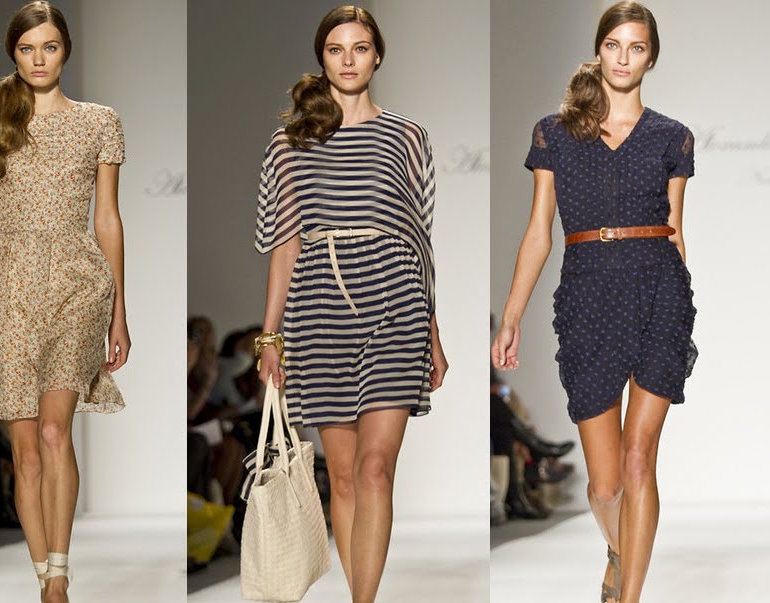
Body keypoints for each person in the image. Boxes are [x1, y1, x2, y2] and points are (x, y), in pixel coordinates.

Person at [490, 2, 696, 602]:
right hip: (587, 298)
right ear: (599, 49)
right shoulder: (554, 133)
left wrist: (682, 308)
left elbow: (676, 231)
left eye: (637, 47)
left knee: (639, 462)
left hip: (659, 293)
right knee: (605, 487)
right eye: (614, 45)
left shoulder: (672, 136)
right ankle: (618, 549)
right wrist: (511, 316)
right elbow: (539, 232)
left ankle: (628, 596)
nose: (624, 58)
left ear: (651, 57)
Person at [253, 6, 448, 602]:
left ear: (377, 55)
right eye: (336, 50)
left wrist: (433, 333)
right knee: (341, 475)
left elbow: (420, 237)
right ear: (322, 58)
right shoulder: (291, 142)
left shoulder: (407, 136)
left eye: (360, 48)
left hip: (396, 300)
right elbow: (285, 244)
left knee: (375, 468)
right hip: (318, 307)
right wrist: (270, 337)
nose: (348, 60)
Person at [0, 2, 129, 600]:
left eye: (49, 47)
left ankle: (59, 572)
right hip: (7, 286)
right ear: (13, 53)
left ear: (65, 50)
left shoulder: (99, 121)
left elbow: (108, 219)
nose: (38, 59)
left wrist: (120, 311)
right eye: (28, 48)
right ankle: (43, 576)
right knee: (25, 447)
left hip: (79, 282)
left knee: (56, 432)